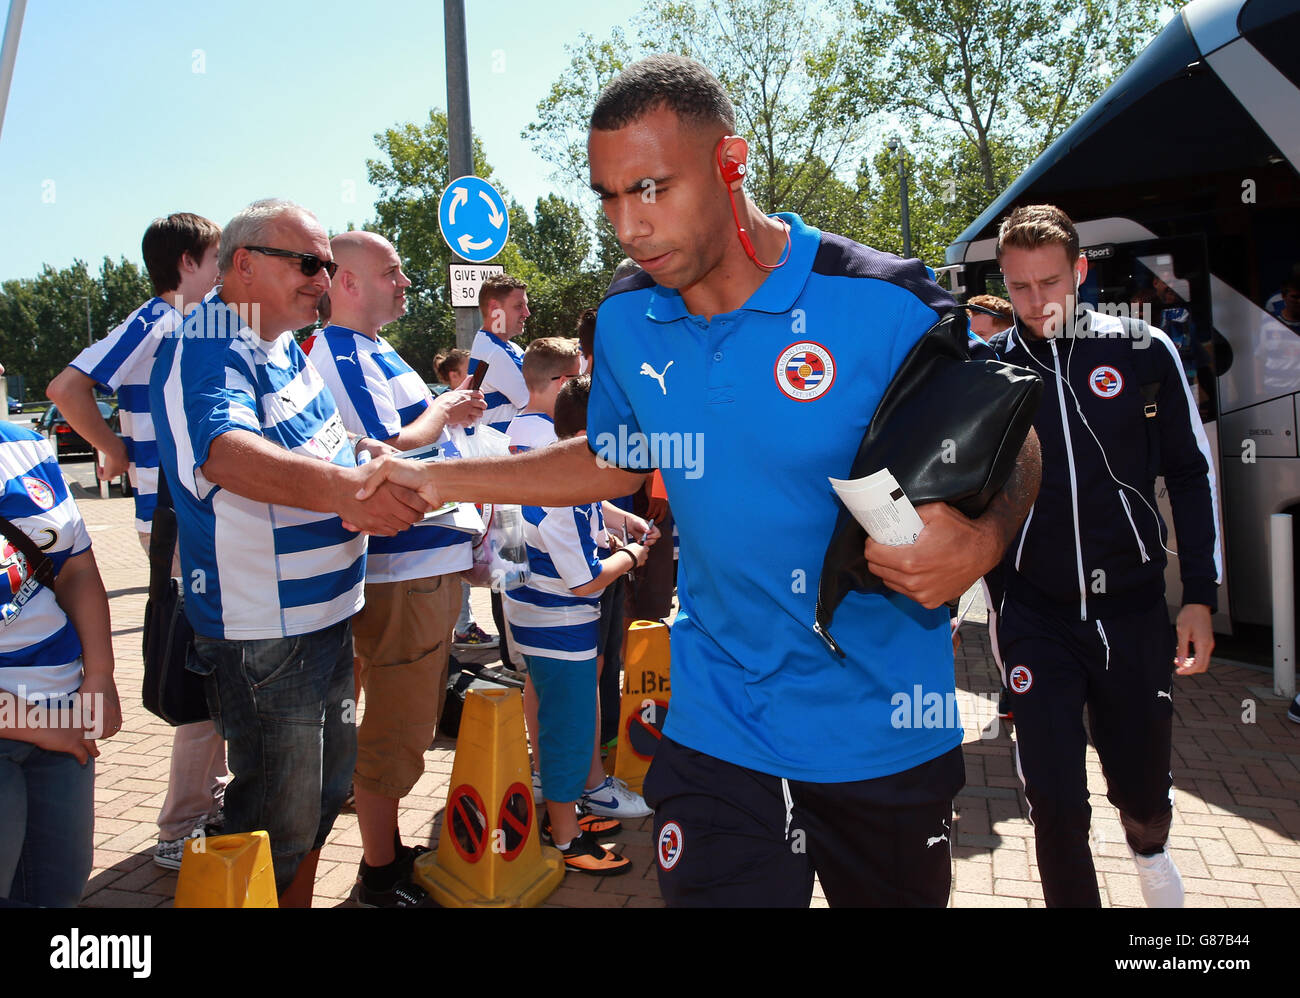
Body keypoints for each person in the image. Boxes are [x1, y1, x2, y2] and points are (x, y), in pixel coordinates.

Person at [357, 54, 1040, 907]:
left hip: (880, 732)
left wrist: (980, 537)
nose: (629, 227)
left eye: (651, 188)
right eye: (609, 198)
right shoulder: (628, 315)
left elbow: (1012, 439)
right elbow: (612, 456)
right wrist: (442, 478)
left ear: (730, 162)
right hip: (719, 729)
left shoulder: (881, 299)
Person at [150, 198, 425, 906]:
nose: (322, 279)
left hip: (321, 618)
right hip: (269, 631)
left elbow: (323, 445)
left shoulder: (278, 341)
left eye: (329, 267)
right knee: (277, 816)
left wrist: (367, 458)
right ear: (244, 265)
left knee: (318, 798)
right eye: (309, 263)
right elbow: (224, 454)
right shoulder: (208, 338)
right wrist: (345, 491)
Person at [986, 203, 1220, 908]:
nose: (1036, 303)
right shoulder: (989, 371)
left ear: (1081, 271)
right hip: (1035, 616)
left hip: (1134, 610)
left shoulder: (1143, 352)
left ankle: (1150, 850)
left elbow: (1190, 473)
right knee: (1054, 800)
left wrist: (1200, 596)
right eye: (1020, 287)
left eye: (1051, 283)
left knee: (1141, 788)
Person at [305, 230, 485, 907]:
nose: (406, 282)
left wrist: (446, 414)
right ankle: (379, 871)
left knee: (398, 721)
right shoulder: (343, 352)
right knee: (400, 726)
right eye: (392, 271)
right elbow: (386, 452)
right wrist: (443, 411)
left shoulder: (369, 349)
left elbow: (411, 441)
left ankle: (382, 856)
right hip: (402, 570)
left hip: (414, 564)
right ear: (345, 283)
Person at [46, 212, 230, 871]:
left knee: (219, 663)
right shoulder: (158, 319)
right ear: (186, 264)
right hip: (180, 524)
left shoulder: (195, 324)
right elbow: (67, 387)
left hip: (192, 520)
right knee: (205, 665)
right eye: (215, 260)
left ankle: (205, 806)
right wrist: (111, 446)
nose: (221, 273)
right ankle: (183, 824)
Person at [505, 374, 651, 874]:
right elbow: (585, 582)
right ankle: (567, 837)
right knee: (569, 729)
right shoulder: (563, 499)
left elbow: (589, 511)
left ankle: (566, 814)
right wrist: (631, 556)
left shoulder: (566, 476)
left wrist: (617, 522)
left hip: (546, 622)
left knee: (563, 720)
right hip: (559, 626)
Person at [0, 418, 119, 906]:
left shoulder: (24, 446)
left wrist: (100, 675)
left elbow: (75, 568)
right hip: (39, 727)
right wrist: (38, 726)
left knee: (57, 893)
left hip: (62, 714)